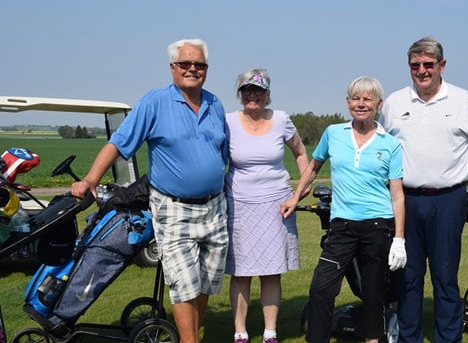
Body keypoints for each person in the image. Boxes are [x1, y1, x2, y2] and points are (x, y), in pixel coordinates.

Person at [71, 39, 229, 343]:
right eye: (185, 64)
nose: (192, 69)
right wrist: (91, 180)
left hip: (214, 206)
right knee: (183, 283)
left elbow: (221, 152)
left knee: (207, 283)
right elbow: (119, 141)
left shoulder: (215, 103)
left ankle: (192, 335)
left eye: (199, 65)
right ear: (172, 67)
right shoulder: (154, 102)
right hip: (173, 206)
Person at [281, 76, 407, 343]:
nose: (360, 104)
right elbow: (313, 166)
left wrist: (399, 239)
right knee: (321, 289)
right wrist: (295, 197)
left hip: (377, 225)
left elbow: (396, 194)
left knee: (373, 294)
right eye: (355, 98)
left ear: (378, 104)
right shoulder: (333, 133)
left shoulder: (390, 144)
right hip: (342, 226)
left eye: (367, 99)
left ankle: (373, 339)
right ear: (348, 102)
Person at [379, 37, 468, 343]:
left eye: (429, 64)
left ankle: (448, 338)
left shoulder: (463, 101)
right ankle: (409, 337)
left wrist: (456, 182)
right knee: (407, 277)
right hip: (406, 201)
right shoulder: (395, 102)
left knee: (444, 276)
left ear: (442, 66)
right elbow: (383, 150)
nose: (422, 71)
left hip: (448, 201)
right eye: (416, 65)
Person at [225, 68, 309, 343]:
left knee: (271, 271)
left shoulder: (282, 119)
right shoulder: (227, 122)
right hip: (239, 205)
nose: (253, 96)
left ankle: (270, 332)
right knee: (241, 272)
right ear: (240, 94)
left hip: (277, 205)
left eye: (259, 91)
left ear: (267, 95)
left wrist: (301, 189)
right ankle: (240, 333)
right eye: (248, 90)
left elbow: (300, 152)